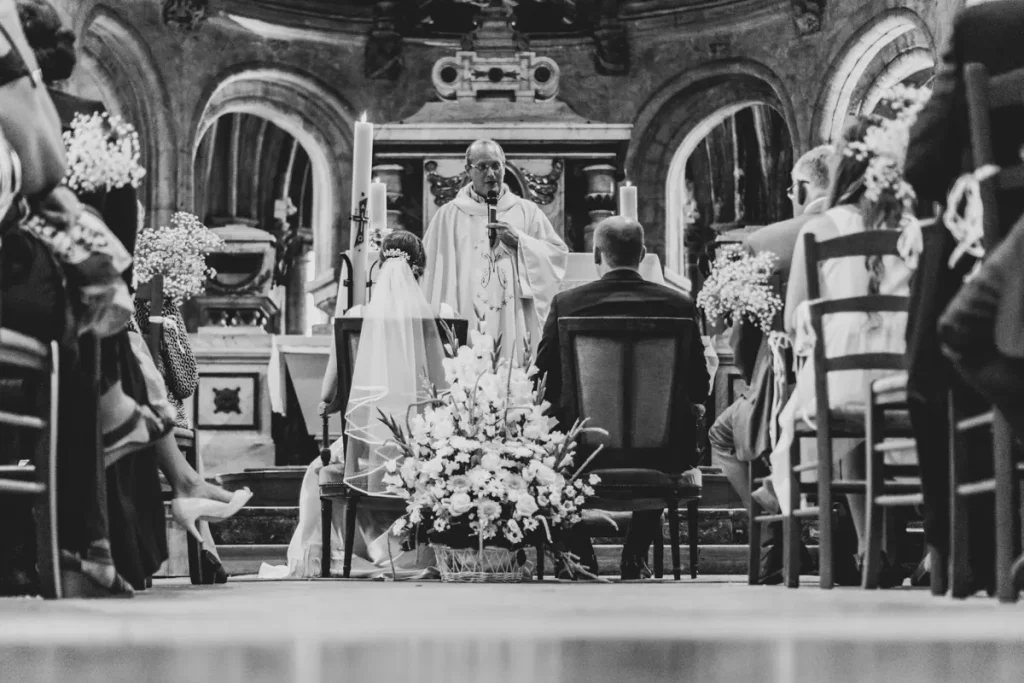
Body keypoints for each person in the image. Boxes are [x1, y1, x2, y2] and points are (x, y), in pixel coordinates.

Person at [904, 0, 1024, 594]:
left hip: (1008, 258)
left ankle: (971, 549)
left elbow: (923, 163)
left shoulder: (987, 26)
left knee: (944, 343)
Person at [767, 117, 912, 586]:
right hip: (906, 374)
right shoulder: (913, 227)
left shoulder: (821, 227)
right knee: (873, 406)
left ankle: (871, 549)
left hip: (842, 376)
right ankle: (899, 547)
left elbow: (793, 318)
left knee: (846, 405)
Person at [266, 231, 450, 579]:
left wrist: (331, 404)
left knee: (316, 474)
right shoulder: (442, 314)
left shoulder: (357, 314)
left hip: (366, 447)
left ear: (378, 270)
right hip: (431, 449)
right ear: (421, 272)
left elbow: (328, 395)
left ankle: (338, 558)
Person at [534, 216, 710, 579]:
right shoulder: (678, 304)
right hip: (665, 454)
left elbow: (542, 380)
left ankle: (580, 554)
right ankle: (634, 554)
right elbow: (698, 385)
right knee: (668, 435)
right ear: (644, 254)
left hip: (583, 452)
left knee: (549, 446)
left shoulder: (567, 303)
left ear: (597, 254)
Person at [709, 145, 834, 584]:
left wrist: (757, 379)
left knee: (723, 433)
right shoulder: (877, 229)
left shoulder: (765, 241)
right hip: (864, 386)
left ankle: (781, 528)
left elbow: (744, 339)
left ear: (801, 188)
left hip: (785, 392)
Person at [421, 139, 568, 361]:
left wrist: (520, 241)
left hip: (513, 313)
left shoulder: (527, 211)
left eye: (496, 165)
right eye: (482, 166)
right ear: (468, 170)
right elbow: (430, 271)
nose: (491, 173)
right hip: (465, 311)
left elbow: (556, 255)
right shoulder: (448, 216)